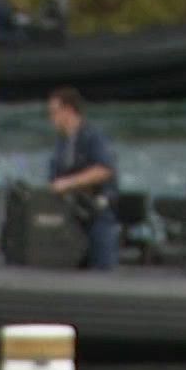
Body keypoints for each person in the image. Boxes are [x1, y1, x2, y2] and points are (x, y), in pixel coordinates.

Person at [45, 86, 120, 269]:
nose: (51, 118)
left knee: (101, 265)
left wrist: (69, 183)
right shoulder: (62, 142)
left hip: (96, 212)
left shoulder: (93, 137)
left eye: (54, 112)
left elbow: (104, 169)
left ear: (68, 110)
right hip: (71, 214)